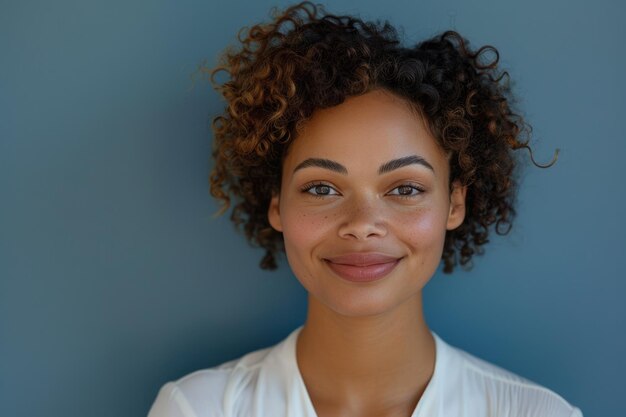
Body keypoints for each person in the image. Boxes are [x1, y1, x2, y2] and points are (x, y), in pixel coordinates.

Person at [148, 2, 582, 416]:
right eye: (321, 188)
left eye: (406, 189)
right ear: (276, 204)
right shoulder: (200, 409)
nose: (362, 225)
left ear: (454, 203)